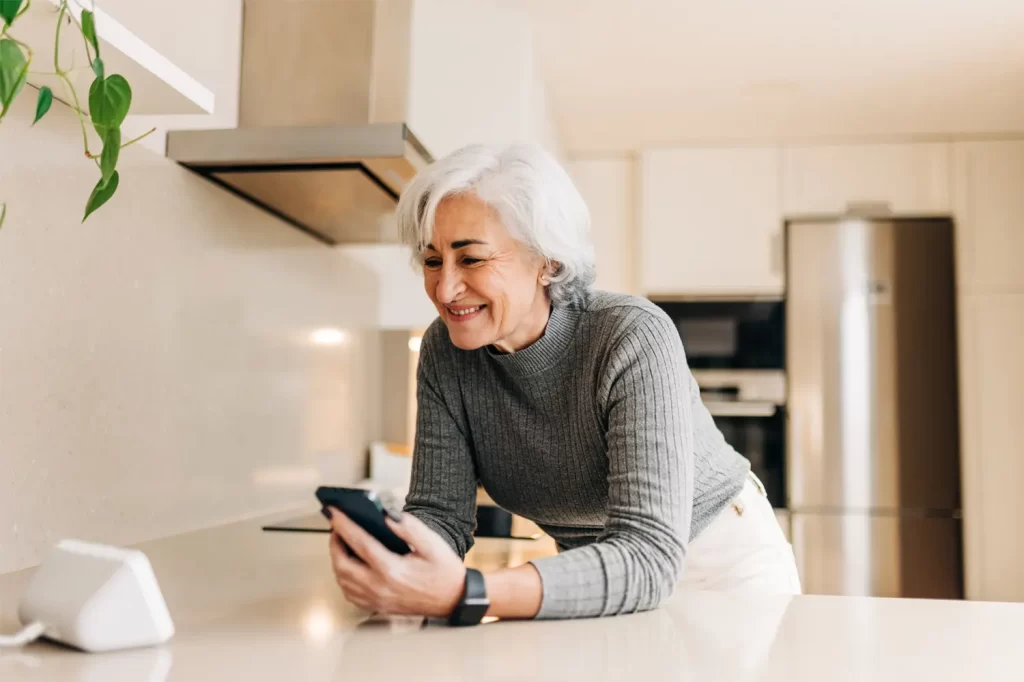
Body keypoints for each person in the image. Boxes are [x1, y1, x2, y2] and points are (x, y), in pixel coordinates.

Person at [324, 143, 801, 623]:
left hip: (721, 567)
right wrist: (397, 563)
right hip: (593, 574)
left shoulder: (629, 335)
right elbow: (440, 515)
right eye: (432, 261)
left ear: (548, 262)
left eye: (471, 260)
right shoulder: (444, 353)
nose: (445, 290)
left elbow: (650, 556)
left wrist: (468, 590)